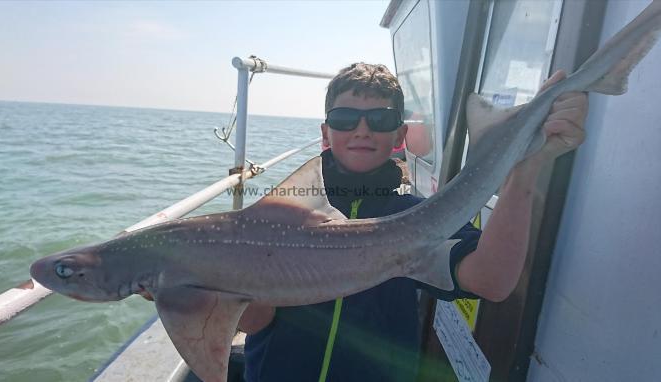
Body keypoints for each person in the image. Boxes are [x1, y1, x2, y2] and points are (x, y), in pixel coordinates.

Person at [239, 63, 588, 381]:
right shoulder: (279, 215)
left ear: (400, 135)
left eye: (380, 120)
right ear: (326, 132)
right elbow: (251, 321)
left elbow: (492, 281)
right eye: (345, 118)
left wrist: (526, 168)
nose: (362, 130)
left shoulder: (420, 218)